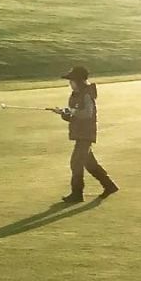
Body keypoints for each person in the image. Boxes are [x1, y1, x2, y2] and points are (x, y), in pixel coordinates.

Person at [58, 65, 118, 203]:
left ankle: (77, 194)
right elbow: (74, 116)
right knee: (89, 163)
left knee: (76, 163)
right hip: (80, 133)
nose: (70, 83)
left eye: (72, 80)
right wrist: (64, 113)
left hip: (86, 134)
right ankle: (109, 186)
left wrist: (71, 112)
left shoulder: (86, 95)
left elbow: (87, 114)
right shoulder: (76, 95)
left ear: (79, 81)